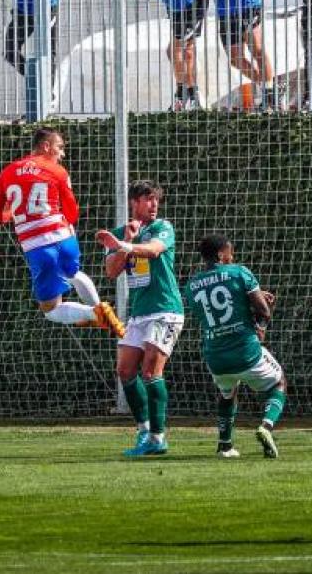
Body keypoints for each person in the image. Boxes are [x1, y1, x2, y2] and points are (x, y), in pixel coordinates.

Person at [0, 126, 123, 336]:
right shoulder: (57, 171)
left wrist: (13, 213)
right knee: (73, 274)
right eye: (60, 147)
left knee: (50, 310)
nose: (63, 153)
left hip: (38, 247)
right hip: (66, 240)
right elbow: (73, 214)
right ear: (46, 146)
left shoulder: (7, 172)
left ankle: (96, 314)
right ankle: (99, 311)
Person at [96, 181, 183, 457]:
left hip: (165, 309)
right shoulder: (123, 233)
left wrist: (123, 245)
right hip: (140, 313)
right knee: (124, 370)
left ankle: (158, 438)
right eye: (148, 199)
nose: (154, 204)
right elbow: (111, 271)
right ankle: (144, 430)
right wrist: (127, 241)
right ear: (134, 202)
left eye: (156, 199)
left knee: (150, 372)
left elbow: (155, 250)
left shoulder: (163, 227)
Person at [184, 233, 286, 459]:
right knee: (279, 383)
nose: (233, 255)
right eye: (230, 251)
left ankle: (225, 445)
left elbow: (215, 309)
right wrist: (260, 327)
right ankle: (266, 427)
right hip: (245, 351)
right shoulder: (240, 272)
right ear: (221, 255)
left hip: (216, 357)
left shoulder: (191, 285)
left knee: (228, 393)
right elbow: (263, 311)